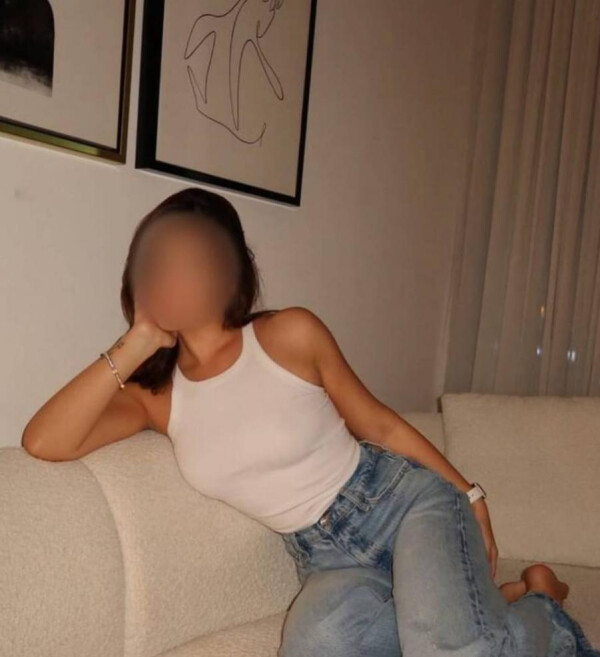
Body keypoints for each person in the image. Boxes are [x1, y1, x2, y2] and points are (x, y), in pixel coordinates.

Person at [22, 187, 600, 657]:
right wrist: (139, 340)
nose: (171, 277)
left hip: (405, 508)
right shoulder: (159, 398)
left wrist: (469, 493)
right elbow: (45, 441)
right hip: (325, 559)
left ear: (229, 275)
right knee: (318, 645)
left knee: (445, 652)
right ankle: (502, 608)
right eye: (157, 263)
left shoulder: (288, 334)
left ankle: (543, 611)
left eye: (191, 262)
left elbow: (379, 424)